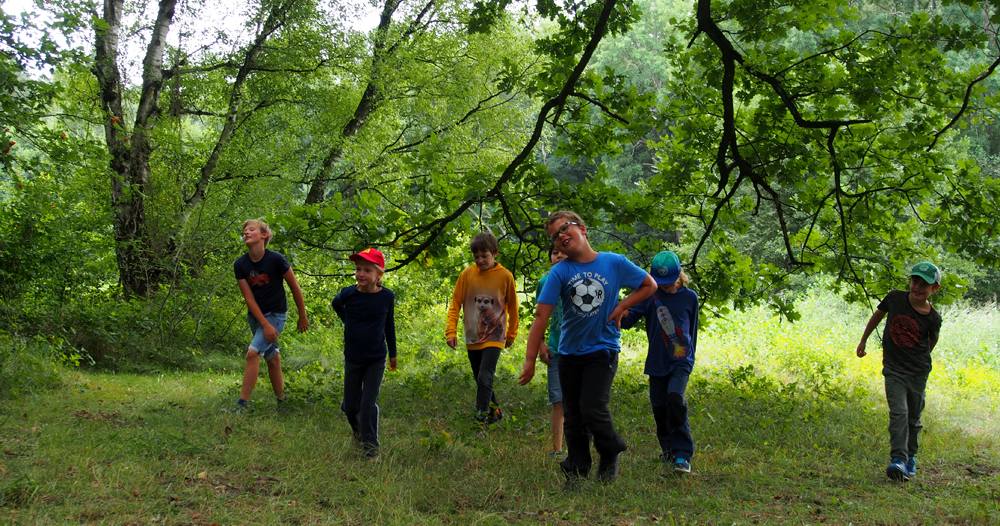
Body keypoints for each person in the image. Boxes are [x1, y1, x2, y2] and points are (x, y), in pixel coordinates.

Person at [520, 211, 657, 488]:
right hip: (569, 354)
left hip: (602, 349)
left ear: (582, 229)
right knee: (573, 416)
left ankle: (610, 449)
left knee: (592, 407)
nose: (559, 237)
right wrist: (530, 359)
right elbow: (540, 318)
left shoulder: (614, 263)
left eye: (563, 229)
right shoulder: (560, 271)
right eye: (554, 236)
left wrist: (621, 306)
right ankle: (577, 471)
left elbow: (649, 285)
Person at [856, 262, 943, 482]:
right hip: (893, 370)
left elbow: (931, 341)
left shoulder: (933, 318)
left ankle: (910, 457)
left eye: (925, 284)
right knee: (899, 413)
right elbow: (877, 316)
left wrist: (918, 359)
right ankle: (898, 461)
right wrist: (863, 340)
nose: (918, 287)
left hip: (918, 372)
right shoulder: (895, 298)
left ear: (935, 289)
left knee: (913, 418)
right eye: (915, 281)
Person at [620, 251, 698, 474]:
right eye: (659, 282)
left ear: (679, 276)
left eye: (668, 282)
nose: (664, 286)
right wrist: (622, 311)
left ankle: (683, 454)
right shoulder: (648, 296)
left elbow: (693, 330)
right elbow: (629, 319)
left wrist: (689, 358)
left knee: (675, 400)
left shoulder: (690, 297)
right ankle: (668, 450)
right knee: (660, 409)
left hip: (681, 361)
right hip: (656, 361)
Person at [233, 219, 309, 411]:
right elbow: (249, 298)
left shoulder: (276, 260)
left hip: (276, 315)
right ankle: (282, 403)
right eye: (245, 230)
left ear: (264, 235)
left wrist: (302, 316)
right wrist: (263, 324)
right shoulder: (240, 264)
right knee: (272, 358)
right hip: (256, 317)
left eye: (251, 229)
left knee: (252, 354)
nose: (246, 233)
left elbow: (294, 287)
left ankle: (241, 406)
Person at [446, 232, 519, 427]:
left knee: (485, 376)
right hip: (472, 336)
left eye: (484, 256)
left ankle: (480, 422)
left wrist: (511, 333)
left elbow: (513, 307)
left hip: (495, 335)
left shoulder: (505, 276)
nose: (480, 260)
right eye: (476, 257)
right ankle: (496, 413)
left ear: (495, 254)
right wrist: (451, 331)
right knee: (481, 380)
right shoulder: (466, 275)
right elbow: (455, 304)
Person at [331, 248, 397, 460]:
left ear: (379, 274)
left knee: (368, 404)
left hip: (376, 358)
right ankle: (358, 433)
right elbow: (336, 304)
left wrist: (393, 353)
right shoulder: (348, 293)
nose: (361, 274)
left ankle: (372, 450)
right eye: (358, 269)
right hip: (353, 357)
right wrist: (348, 321)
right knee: (350, 407)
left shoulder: (386, 297)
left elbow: (389, 325)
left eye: (367, 270)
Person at [521, 245, 568, 459]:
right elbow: (540, 318)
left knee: (578, 402)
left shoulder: (578, 280)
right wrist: (540, 345)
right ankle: (557, 449)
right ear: (550, 258)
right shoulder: (544, 283)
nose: (558, 255)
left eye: (562, 252)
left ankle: (578, 445)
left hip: (577, 351)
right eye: (554, 252)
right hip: (555, 350)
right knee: (557, 401)